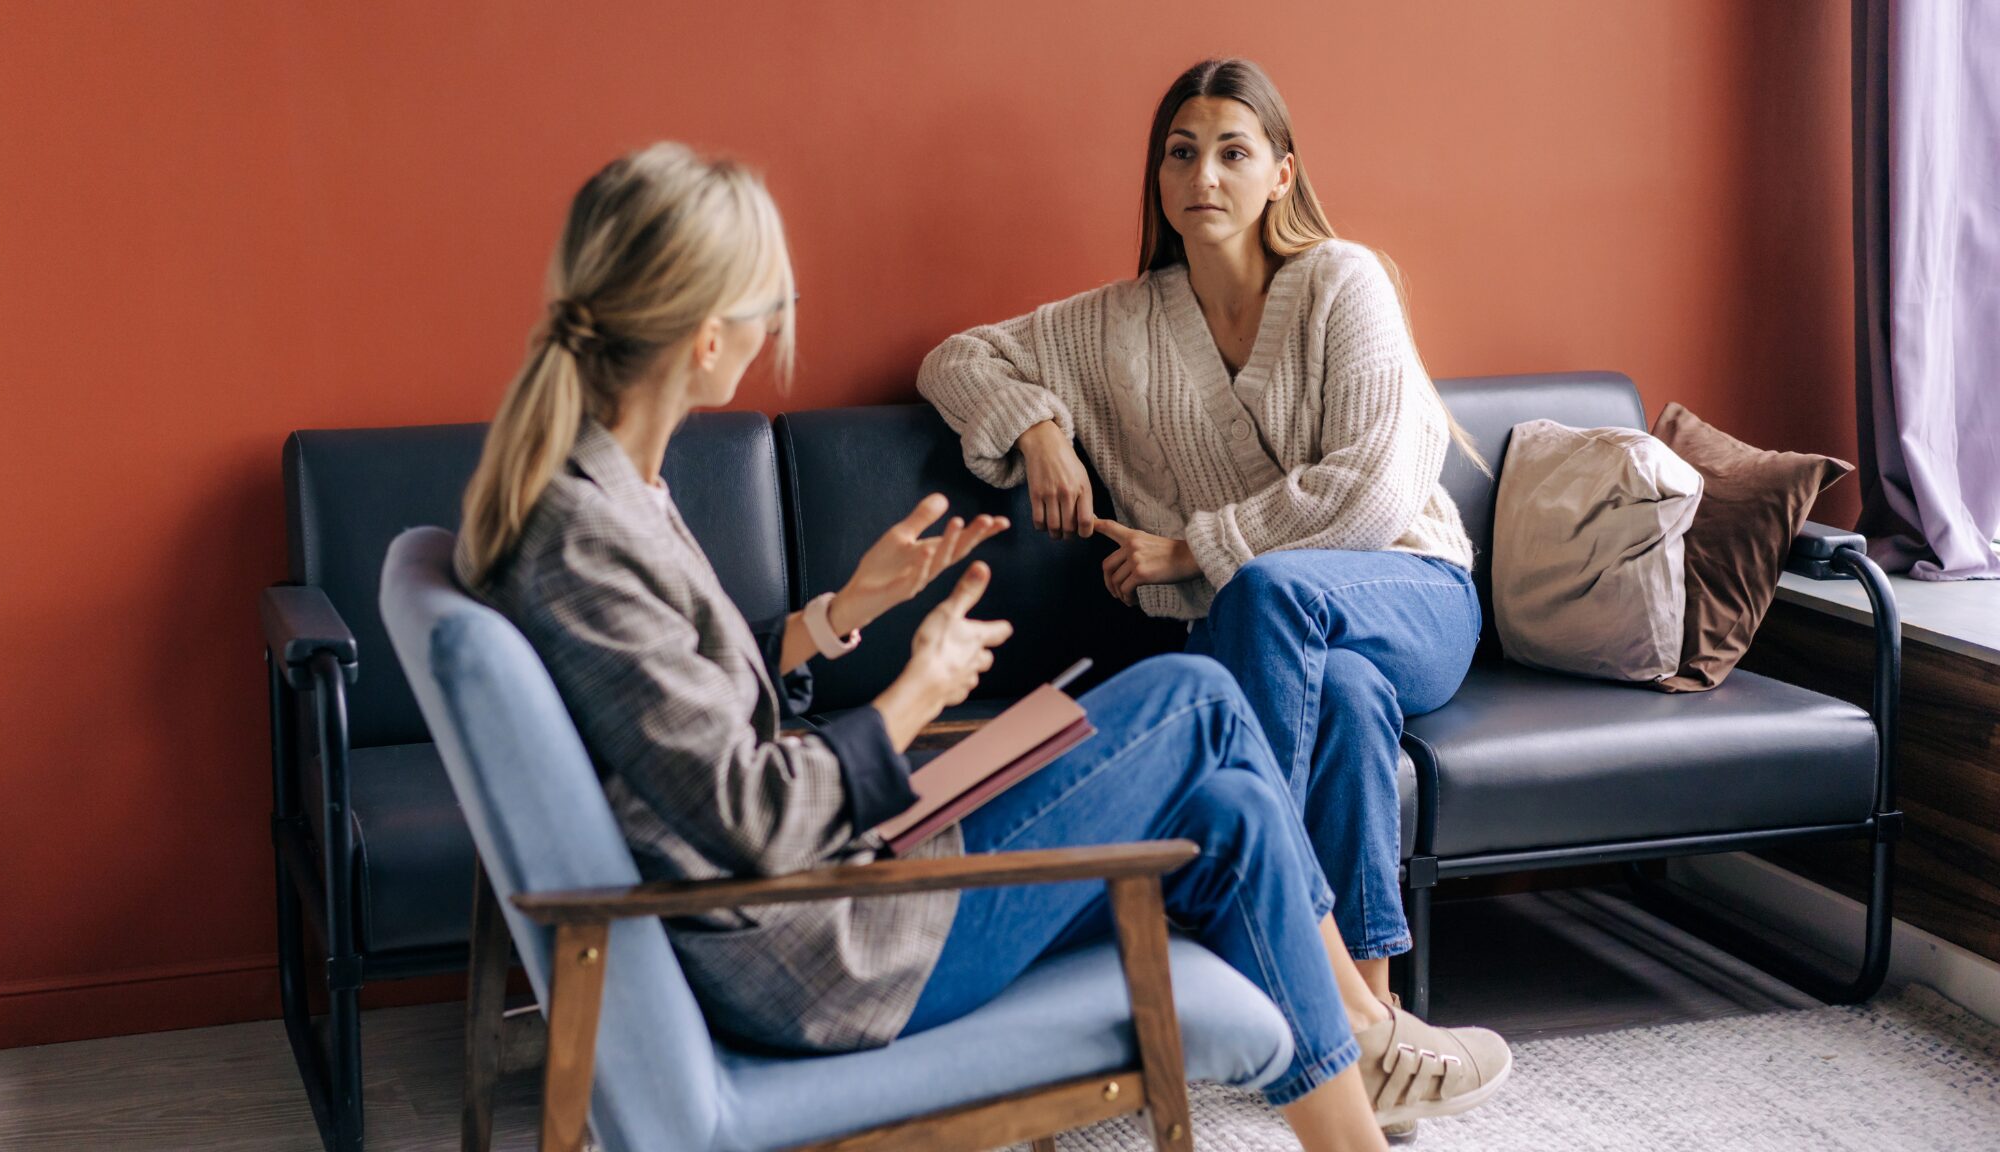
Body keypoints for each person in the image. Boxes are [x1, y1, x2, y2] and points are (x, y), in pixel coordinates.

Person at [457, 142, 1506, 1150]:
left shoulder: (605, 494)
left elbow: (683, 705)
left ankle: (1352, 1107)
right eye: (770, 304)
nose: (776, 325)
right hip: (827, 944)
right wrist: (912, 698)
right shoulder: (582, 537)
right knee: (1195, 700)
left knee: (1229, 804)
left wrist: (839, 612)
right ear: (703, 338)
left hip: (837, 883)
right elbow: (749, 815)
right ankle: (1363, 1030)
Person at [918, 56, 1485, 1067]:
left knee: (1267, 592)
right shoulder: (1120, 323)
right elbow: (955, 358)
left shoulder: (1343, 281)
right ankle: (1368, 1019)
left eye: (1232, 152)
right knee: (1345, 697)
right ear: (1159, 176)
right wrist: (1039, 429)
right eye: (1181, 154)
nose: (1203, 177)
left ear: (1280, 173)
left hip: (1411, 592)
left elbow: (1371, 490)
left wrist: (1191, 549)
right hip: (1282, 634)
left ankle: (1271, 945)